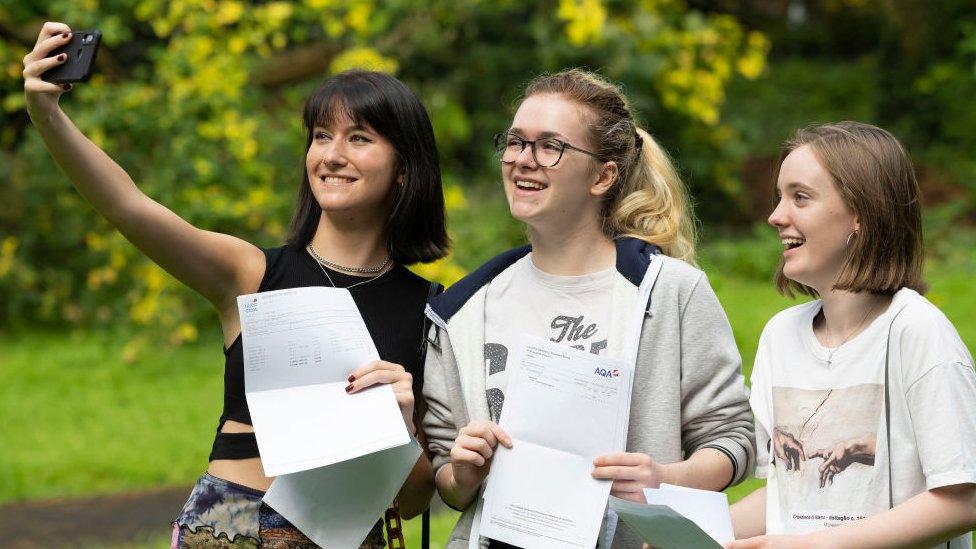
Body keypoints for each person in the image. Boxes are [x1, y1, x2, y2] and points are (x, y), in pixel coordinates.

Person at [23, 22, 449, 548]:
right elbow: (127, 207)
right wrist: (46, 115)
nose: (332, 155)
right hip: (231, 528)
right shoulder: (251, 274)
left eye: (359, 138)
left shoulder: (428, 308)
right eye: (321, 136)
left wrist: (398, 429)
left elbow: (410, 505)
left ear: (404, 168)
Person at [422, 69, 756, 548]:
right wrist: (462, 472)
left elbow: (734, 439)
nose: (523, 160)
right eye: (516, 142)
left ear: (603, 175)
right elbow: (448, 485)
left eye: (550, 146)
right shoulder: (461, 313)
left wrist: (662, 477)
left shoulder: (669, 292)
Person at [729, 122, 976, 548]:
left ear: (862, 214)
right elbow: (788, 494)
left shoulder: (916, 332)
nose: (775, 216)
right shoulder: (780, 336)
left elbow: (963, 498)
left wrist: (816, 545)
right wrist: (687, 532)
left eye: (800, 197)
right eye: (779, 197)